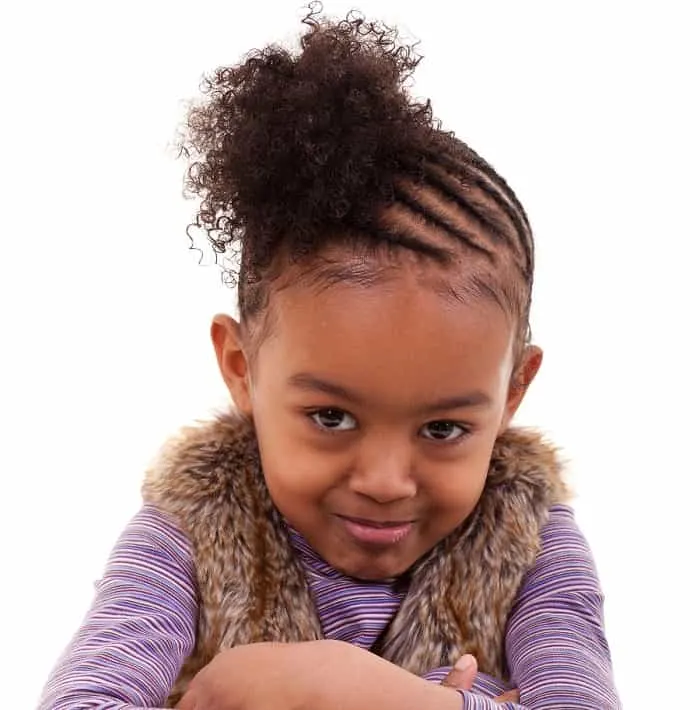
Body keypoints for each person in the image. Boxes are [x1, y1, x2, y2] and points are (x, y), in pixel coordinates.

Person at [37, 6, 621, 710]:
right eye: (331, 416)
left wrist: (397, 699)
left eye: (442, 430)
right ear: (241, 368)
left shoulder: (531, 541)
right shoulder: (185, 537)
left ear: (513, 391)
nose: (384, 481)